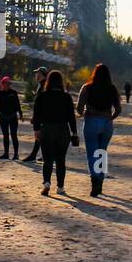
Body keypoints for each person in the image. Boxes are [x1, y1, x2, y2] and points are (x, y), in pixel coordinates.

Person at [31, 70, 79, 196]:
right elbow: (71, 117)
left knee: (47, 159)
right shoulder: (66, 97)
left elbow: (36, 114)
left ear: (48, 81)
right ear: (61, 82)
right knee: (60, 160)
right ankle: (60, 187)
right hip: (63, 130)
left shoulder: (42, 95)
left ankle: (46, 183)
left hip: (46, 129)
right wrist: (74, 132)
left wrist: (36, 130)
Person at [78, 63, 122, 196]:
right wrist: (110, 117)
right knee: (101, 152)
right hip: (106, 122)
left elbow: (79, 107)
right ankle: (100, 180)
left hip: (91, 121)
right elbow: (118, 109)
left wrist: (84, 113)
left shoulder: (87, 88)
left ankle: (95, 180)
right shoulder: (112, 89)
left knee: (92, 153)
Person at [0, 69, 23, 159]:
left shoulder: (13, 92)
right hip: (3, 117)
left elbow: (17, 103)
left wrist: (20, 113)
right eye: (7, 83)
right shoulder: (0, 93)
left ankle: (16, 154)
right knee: (5, 135)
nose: (8, 85)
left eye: (9, 83)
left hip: (13, 117)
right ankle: (6, 153)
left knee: (14, 135)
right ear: (3, 84)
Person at [22, 66, 49, 161]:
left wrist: (35, 117)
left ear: (42, 74)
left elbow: (41, 104)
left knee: (39, 135)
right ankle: (45, 155)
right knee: (42, 136)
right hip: (43, 115)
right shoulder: (42, 84)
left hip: (42, 116)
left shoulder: (44, 85)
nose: (36, 75)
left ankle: (34, 155)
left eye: (37, 73)